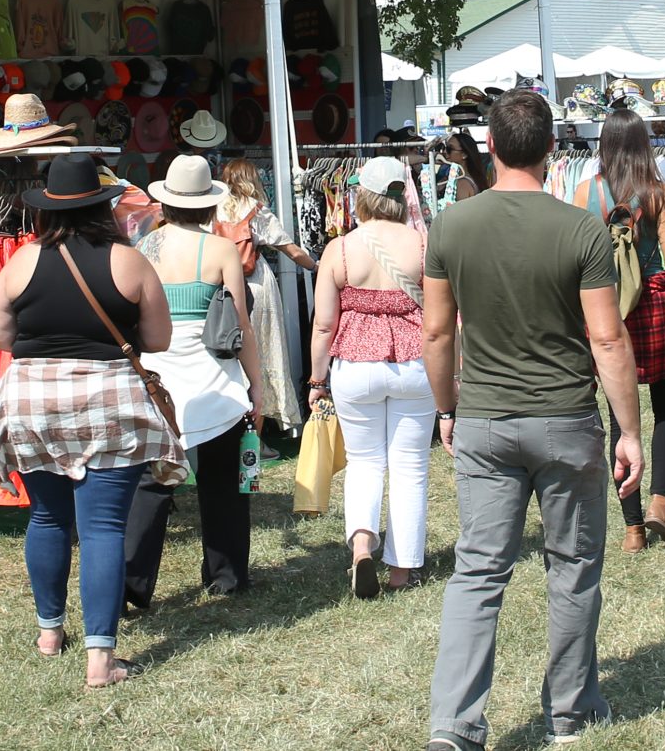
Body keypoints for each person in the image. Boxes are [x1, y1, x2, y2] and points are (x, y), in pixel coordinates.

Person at [424, 91, 643, 751]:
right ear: (553, 150)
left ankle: (455, 727)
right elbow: (608, 341)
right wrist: (631, 430)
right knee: (573, 564)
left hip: (486, 421)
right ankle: (570, 714)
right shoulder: (581, 228)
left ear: (489, 145)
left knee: (478, 571)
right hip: (565, 420)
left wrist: (446, 406)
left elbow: (437, 333)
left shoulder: (450, 225)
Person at [0, 152, 180, 690]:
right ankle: (100, 659)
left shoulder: (21, 260)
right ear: (103, 205)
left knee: (47, 518)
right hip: (108, 397)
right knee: (102, 528)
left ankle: (49, 632)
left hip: (32, 400)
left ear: (48, 208)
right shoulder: (129, 260)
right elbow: (158, 340)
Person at [570, 109, 665, 550]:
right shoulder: (656, 193)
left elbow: (577, 263)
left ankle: (633, 529)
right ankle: (659, 503)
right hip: (659, 305)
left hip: (611, 311)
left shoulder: (585, 192)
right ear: (642, 144)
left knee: (622, 412)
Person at [127, 155, 267, 608]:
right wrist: (257, 385)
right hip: (213, 375)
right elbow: (240, 326)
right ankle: (225, 577)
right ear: (210, 205)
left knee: (150, 484)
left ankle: (132, 584)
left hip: (154, 373)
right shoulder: (222, 249)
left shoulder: (143, 247)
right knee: (223, 483)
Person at [305, 155, 435, 596]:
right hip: (415, 363)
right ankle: (402, 569)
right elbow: (442, 317)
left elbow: (324, 325)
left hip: (354, 365)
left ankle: (362, 544)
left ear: (360, 195)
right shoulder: (423, 244)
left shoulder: (340, 249)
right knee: (410, 465)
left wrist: (317, 381)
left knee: (364, 462)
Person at [213, 156, 314, 434]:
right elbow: (290, 250)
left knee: (227, 356)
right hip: (255, 284)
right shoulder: (256, 210)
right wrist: (317, 267)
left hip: (219, 287)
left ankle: (227, 431)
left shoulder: (212, 210)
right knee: (262, 355)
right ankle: (255, 439)